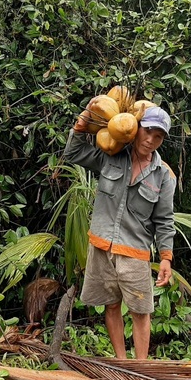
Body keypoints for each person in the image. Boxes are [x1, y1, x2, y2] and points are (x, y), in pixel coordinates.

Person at [64, 101, 176, 360]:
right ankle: (121, 362)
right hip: (101, 246)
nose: (150, 140)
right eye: (147, 132)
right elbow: (74, 153)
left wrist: (166, 258)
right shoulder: (110, 156)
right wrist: (82, 123)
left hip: (134, 252)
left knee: (140, 311)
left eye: (158, 137)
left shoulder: (164, 176)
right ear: (136, 128)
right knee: (111, 305)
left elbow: (164, 220)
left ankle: (140, 368)